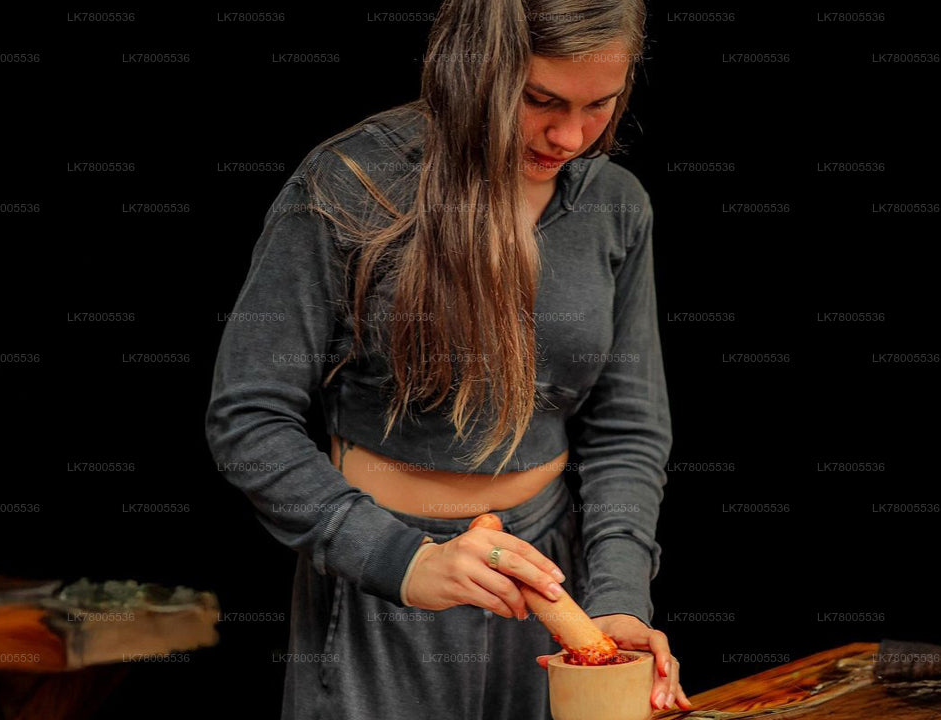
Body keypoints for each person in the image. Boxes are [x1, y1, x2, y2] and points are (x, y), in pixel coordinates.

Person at [204, 0, 688, 717]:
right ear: (477, 71)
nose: (570, 137)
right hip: (385, 584)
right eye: (540, 100)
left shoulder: (615, 204)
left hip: (554, 586)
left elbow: (628, 428)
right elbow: (248, 418)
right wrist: (403, 561)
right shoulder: (352, 182)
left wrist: (617, 596)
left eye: (599, 105)